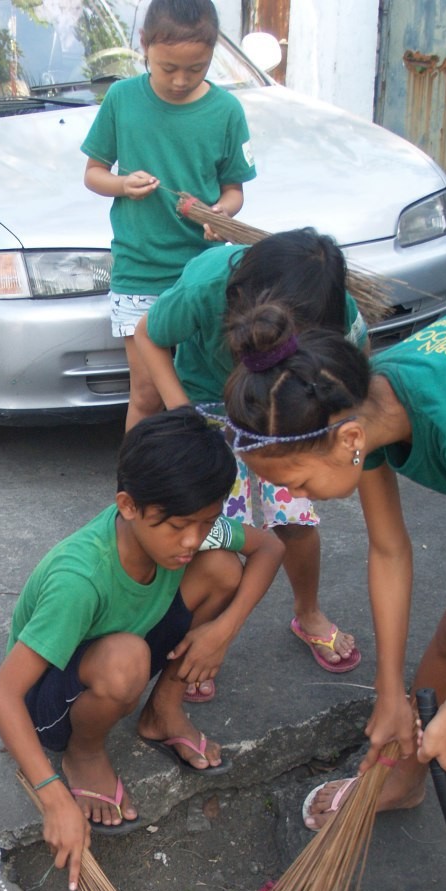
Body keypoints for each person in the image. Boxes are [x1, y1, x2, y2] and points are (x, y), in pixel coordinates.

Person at [0, 409, 283, 889]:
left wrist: (223, 631)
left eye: (206, 522)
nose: (191, 541)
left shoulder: (191, 530)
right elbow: (2, 695)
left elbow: (269, 548)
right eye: (178, 526)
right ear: (127, 505)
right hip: (50, 700)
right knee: (127, 658)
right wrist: (52, 796)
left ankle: (162, 710)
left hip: (121, 654)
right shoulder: (79, 580)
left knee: (223, 568)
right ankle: (83, 752)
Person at [222, 300, 446, 831]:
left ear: (349, 443)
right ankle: (405, 780)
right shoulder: (357, 405)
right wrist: (388, 690)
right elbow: (389, 549)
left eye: (298, 482)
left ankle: (419, 756)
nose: (291, 495)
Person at [132, 229, 366, 697]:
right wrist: (182, 414)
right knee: (213, 536)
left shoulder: (337, 310)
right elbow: (147, 335)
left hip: (287, 419)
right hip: (209, 407)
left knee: (296, 520)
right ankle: (199, 636)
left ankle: (308, 612)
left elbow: (355, 373)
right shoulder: (206, 284)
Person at [81, 0, 256, 430]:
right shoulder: (123, 99)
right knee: (144, 393)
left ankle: (207, 478)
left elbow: (234, 190)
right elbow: (93, 174)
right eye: (167, 68)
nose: (180, 80)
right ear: (144, 46)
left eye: (195, 69)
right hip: (140, 271)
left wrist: (221, 213)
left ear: (213, 52)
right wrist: (122, 184)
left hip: (204, 274)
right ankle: (136, 488)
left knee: (213, 384)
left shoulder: (226, 111)